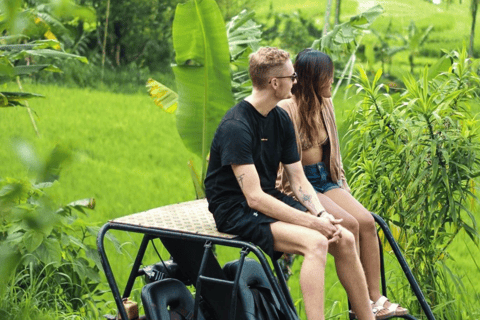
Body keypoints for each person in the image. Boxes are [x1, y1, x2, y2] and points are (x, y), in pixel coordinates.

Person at [205, 47, 374, 320]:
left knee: (342, 238)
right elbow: (254, 198)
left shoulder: (280, 118)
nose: (296, 81)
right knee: (316, 243)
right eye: (291, 76)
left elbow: (298, 179)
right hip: (236, 210)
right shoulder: (237, 126)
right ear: (274, 83)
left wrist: (321, 214)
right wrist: (312, 223)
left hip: (267, 199)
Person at [276, 48, 408, 319]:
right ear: (313, 78)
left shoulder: (326, 103)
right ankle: (357, 304)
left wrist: (343, 189)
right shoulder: (286, 109)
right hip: (303, 184)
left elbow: (334, 155)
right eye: (328, 77)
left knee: (367, 221)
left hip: (326, 178)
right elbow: (287, 171)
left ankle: (375, 298)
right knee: (348, 224)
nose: (332, 82)